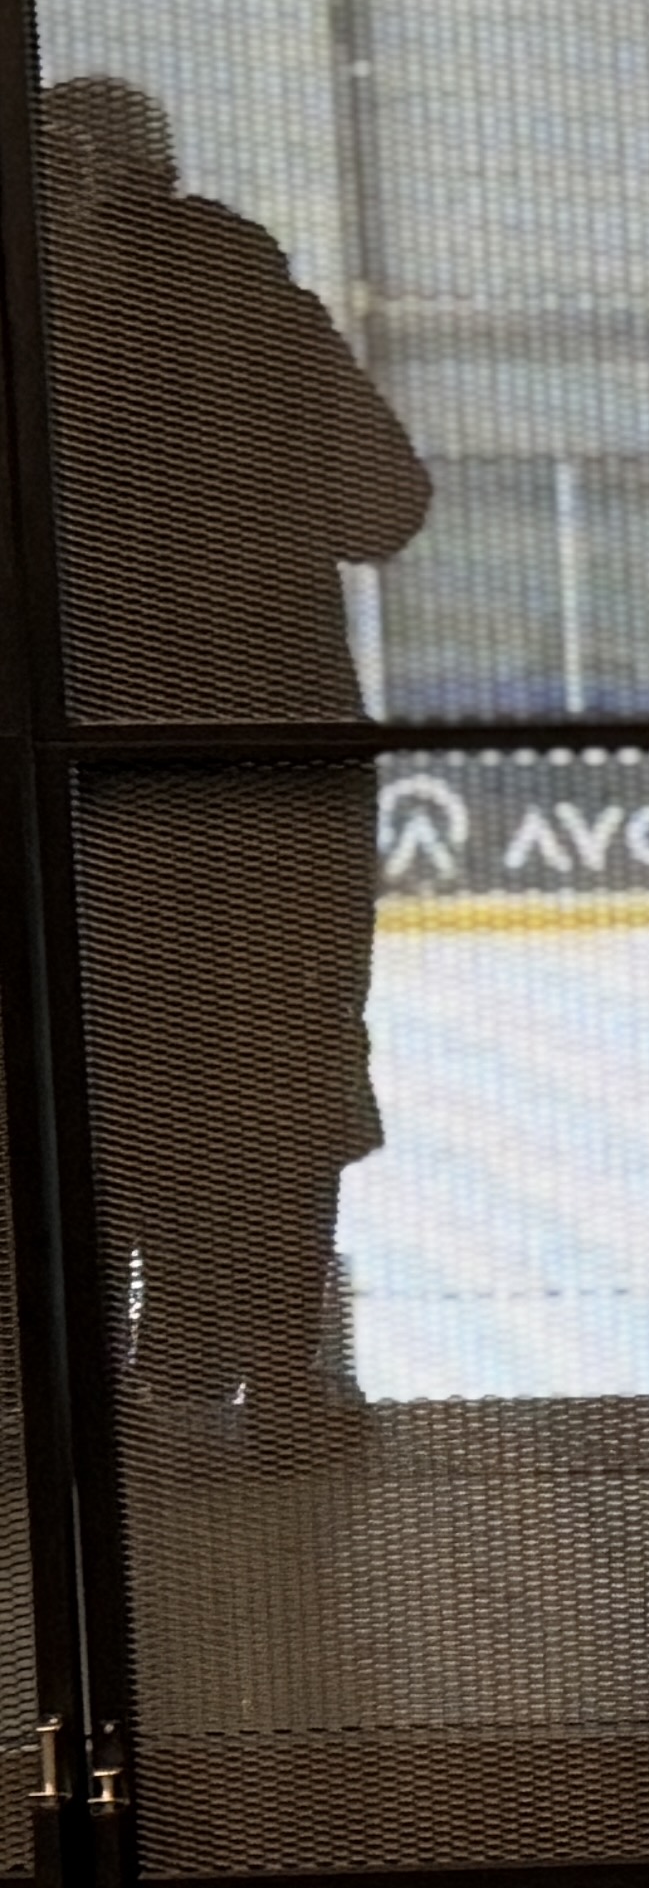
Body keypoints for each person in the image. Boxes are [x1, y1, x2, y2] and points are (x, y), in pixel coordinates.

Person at [40, 76, 432, 1466]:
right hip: (281, 759)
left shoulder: (37, 332)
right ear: (166, 173)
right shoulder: (256, 308)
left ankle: (123, 1372)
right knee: (282, 1047)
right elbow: (385, 505)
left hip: (88, 768)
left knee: (105, 1050)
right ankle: (276, 1372)